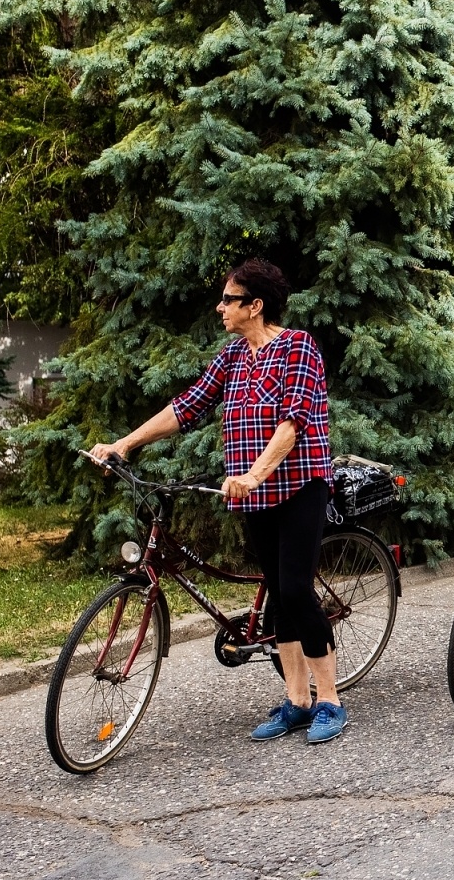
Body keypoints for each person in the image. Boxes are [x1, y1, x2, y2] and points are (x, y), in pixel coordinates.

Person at [89, 260, 345, 743]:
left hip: (298, 486)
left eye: (229, 299)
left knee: (294, 590)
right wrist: (126, 443)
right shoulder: (233, 356)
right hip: (253, 495)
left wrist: (252, 474)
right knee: (276, 593)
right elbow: (186, 406)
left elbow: (293, 426)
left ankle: (330, 700)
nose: (220, 307)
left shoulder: (298, 348)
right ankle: (297, 702)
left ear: (255, 305)